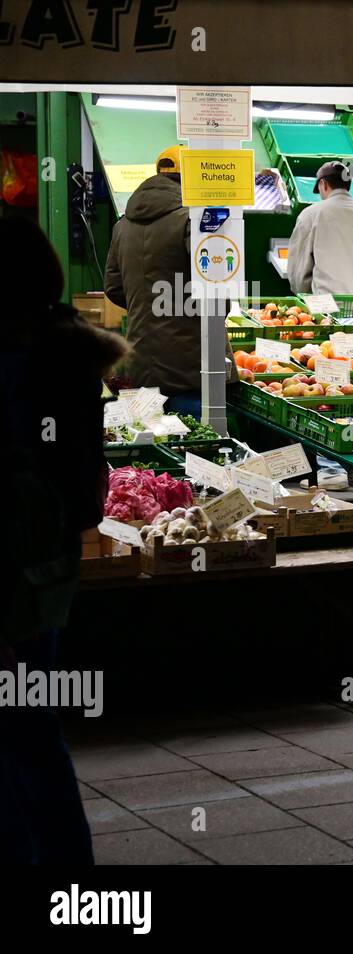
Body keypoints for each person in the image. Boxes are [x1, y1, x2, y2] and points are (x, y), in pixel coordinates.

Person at [1, 217, 126, 863]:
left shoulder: (18, 359)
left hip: (14, 565)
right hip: (47, 571)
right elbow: (84, 489)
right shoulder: (69, 353)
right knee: (30, 723)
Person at [105, 145, 201, 415]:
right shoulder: (190, 219)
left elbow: (113, 287)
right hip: (189, 360)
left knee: (152, 442)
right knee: (194, 445)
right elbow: (212, 284)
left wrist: (147, 306)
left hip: (140, 354)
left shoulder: (122, 225)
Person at [287, 160, 353, 297]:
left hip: (332, 307)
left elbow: (298, 276)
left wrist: (307, 296)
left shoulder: (311, 215)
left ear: (323, 184)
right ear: (348, 185)